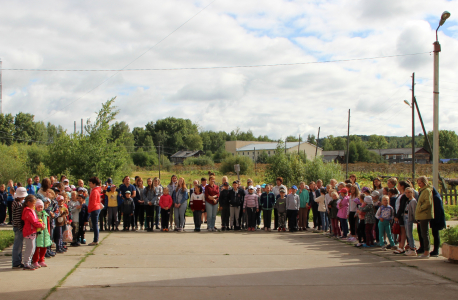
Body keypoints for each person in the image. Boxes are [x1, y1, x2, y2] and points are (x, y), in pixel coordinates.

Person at [21, 195, 45, 270]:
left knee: (33, 248)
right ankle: (26, 263)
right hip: (29, 232)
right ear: (28, 202)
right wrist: (40, 225)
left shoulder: (31, 210)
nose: (34, 205)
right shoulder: (27, 211)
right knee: (29, 248)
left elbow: (36, 219)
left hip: (33, 231)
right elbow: (33, 221)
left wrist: (41, 224)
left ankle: (29, 262)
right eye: (33, 203)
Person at [415, 176, 434, 258]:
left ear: (424, 182)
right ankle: (426, 250)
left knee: (425, 233)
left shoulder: (426, 190)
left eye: (420, 183)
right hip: (422, 214)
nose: (419, 185)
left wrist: (420, 208)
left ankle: (426, 251)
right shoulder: (422, 190)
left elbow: (428, 203)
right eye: (418, 183)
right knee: (423, 233)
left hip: (424, 214)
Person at [11, 187, 28, 269]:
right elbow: (17, 218)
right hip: (18, 227)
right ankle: (16, 262)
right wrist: (20, 227)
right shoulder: (18, 204)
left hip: (17, 226)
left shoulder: (16, 203)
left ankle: (18, 261)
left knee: (20, 245)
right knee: (18, 245)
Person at [32, 199, 52, 268]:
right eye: (38, 207)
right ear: (36, 207)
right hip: (38, 234)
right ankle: (35, 261)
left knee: (44, 247)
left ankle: (42, 260)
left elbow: (48, 224)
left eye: (41, 207)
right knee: (37, 248)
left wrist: (48, 232)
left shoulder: (45, 215)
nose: (40, 208)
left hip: (45, 233)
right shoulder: (34, 214)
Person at [88, 177, 102, 245]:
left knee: (95, 224)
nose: (89, 184)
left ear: (94, 184)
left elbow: (93, 202)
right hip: (96, 208)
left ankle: (95, 240)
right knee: (95, 224)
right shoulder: (95, 190)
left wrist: (89, 209)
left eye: (90, 183)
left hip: (94, 209)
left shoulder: (94, 191)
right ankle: (96, 239)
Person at [403, 187, 418, 256]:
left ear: (412, 193)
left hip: (409, 218)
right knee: (407, 233)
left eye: (409, 192)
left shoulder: (413, 201)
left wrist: (416, 218)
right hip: (405, 217)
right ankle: (410, 247)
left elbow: (414, 211)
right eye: (406, 193)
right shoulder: (407, 200)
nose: (407, 194)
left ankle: (412, 248)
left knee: (409, 233)